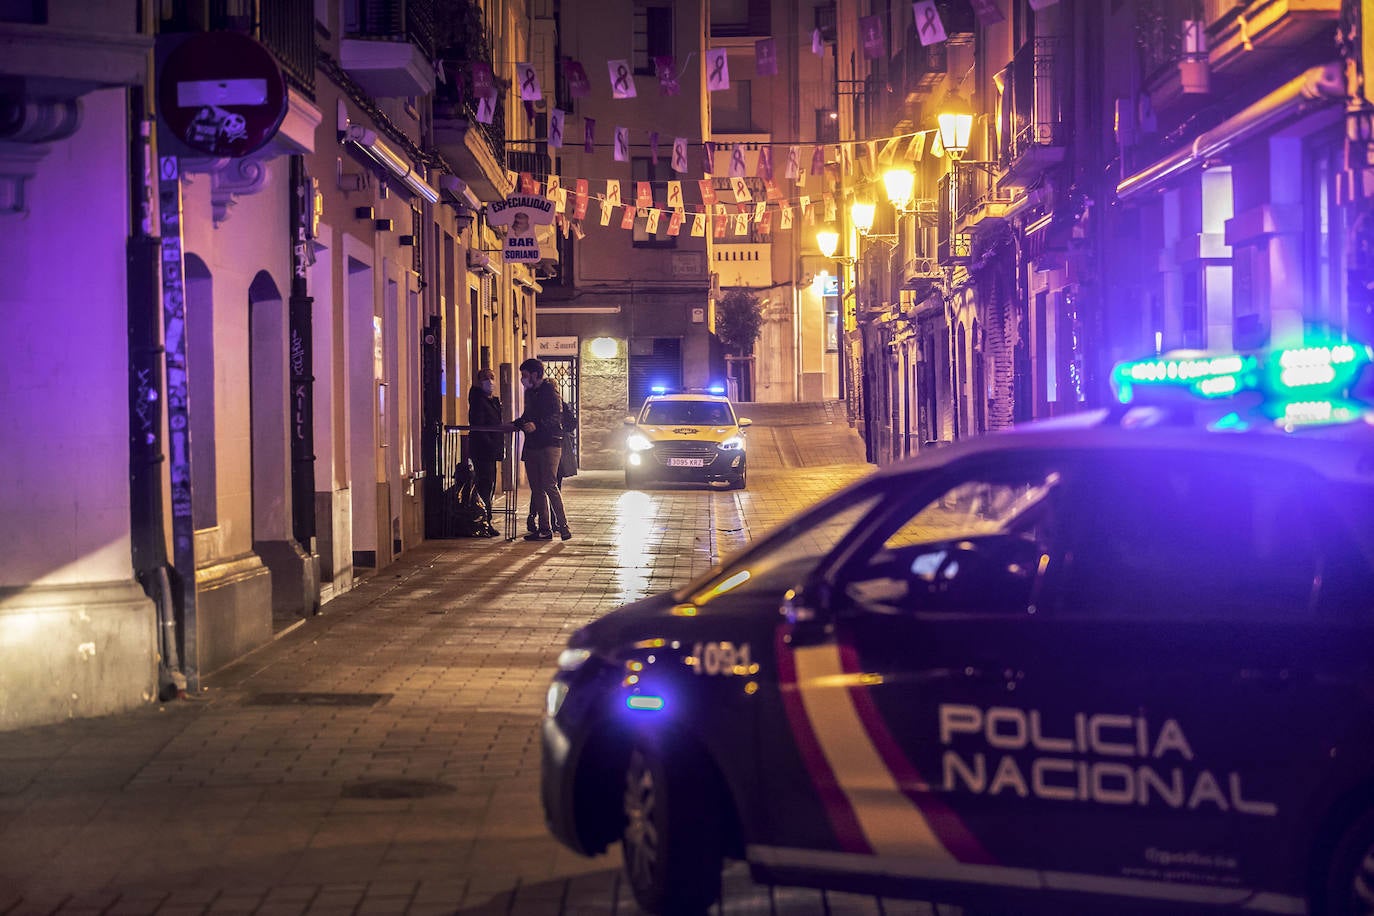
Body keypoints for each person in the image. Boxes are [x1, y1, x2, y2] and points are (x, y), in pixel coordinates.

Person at [513, 357, 571, 541]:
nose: (522, 379)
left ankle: (563, 526)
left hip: (550, 444)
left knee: (549, 483)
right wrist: (518, 423)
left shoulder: (550, 392)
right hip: (532, 445)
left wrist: (536, 425)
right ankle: (544, 529)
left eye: (525, 375)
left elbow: (556, 416)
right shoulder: (530, 393)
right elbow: (527, 414)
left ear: (535, 375)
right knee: (537, 488)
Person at [466, 367, 504, 532]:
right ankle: (485, 521)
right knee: (484, 485)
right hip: (483, 451)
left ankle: (487, 519)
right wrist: (490, 444)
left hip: (491, 450)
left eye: (492, 377)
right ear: (479, 381)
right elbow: (480, 426)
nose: (490, 381)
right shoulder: (478, 401)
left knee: (489, 485)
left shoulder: (492, 401)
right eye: (486, 378)